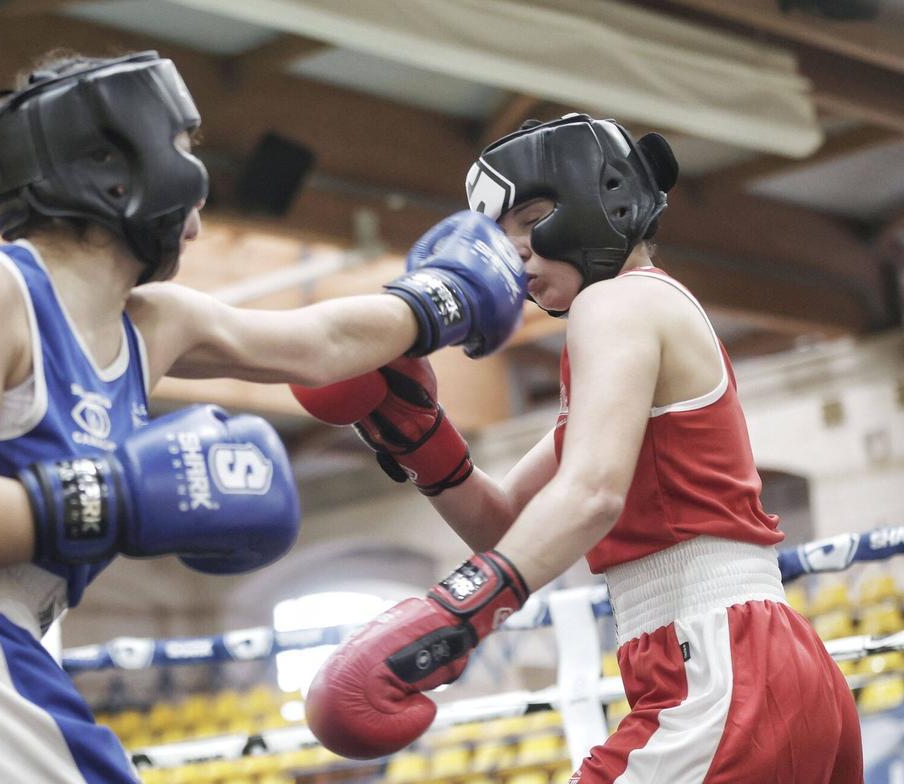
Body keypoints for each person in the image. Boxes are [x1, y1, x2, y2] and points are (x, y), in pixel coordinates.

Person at [0, 50, 528, 783]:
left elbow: (318, 345)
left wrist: (443, 299)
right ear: (117, 163)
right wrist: (125, 494)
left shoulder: (150, 323)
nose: (197, 177)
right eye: (182, 141)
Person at [296, 114, 863, 782]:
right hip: (765, 661)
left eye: (529, 218)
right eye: (499, 236)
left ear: (603, 199)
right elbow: (509, 523)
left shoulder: (616, 304)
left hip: (718, 669)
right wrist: (419, 437)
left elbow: (591, 496)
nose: (516, 254)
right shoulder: (640, 325)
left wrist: (458, 615)